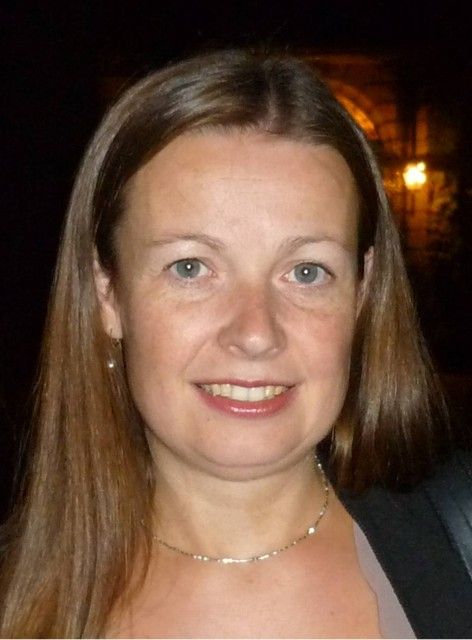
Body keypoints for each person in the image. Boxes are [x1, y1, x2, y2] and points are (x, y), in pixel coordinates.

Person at [0, 49, 471, 639]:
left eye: (306, 272)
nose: (254, 333)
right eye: (191, 268)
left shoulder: (458, 560)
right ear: (108, 294)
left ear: (362, 291)